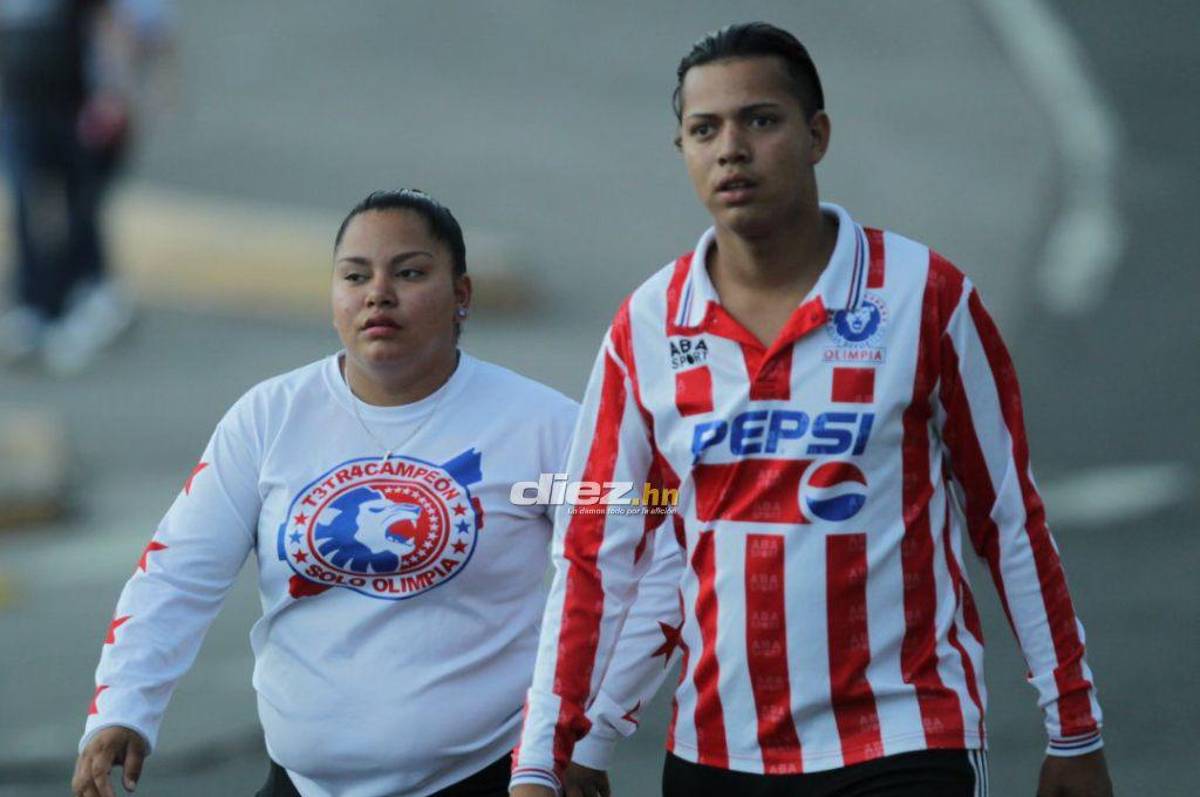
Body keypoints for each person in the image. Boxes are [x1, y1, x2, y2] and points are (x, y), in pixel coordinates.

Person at [511, 23, 1114, 797]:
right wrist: (550, 753)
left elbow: (1009, 520)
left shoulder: (925, 296)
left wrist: (1074, 724)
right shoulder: (646, 326)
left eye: (760, 120)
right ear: (683, 151)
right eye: (705, 129)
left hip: (904, 738)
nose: (731, 148)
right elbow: (597, 554)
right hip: (714, 755)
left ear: (817, 135)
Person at [73, 189, 593, 797]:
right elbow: (178, 573)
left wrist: (582, 736)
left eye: (410, 272)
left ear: (462, 297)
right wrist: (123, 708)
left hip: (483, 777)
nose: (379, 293)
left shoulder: (539, 428)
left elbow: (634, 532)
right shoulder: (270, 418)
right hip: (299, 782)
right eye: (355, 275)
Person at [0, 0, 171, 373]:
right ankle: (38, 306)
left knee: (82, 205)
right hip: (23, 102)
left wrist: (114, 92)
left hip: (76, 101)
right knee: (31, 204)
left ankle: (88, 298)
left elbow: (120, 29)